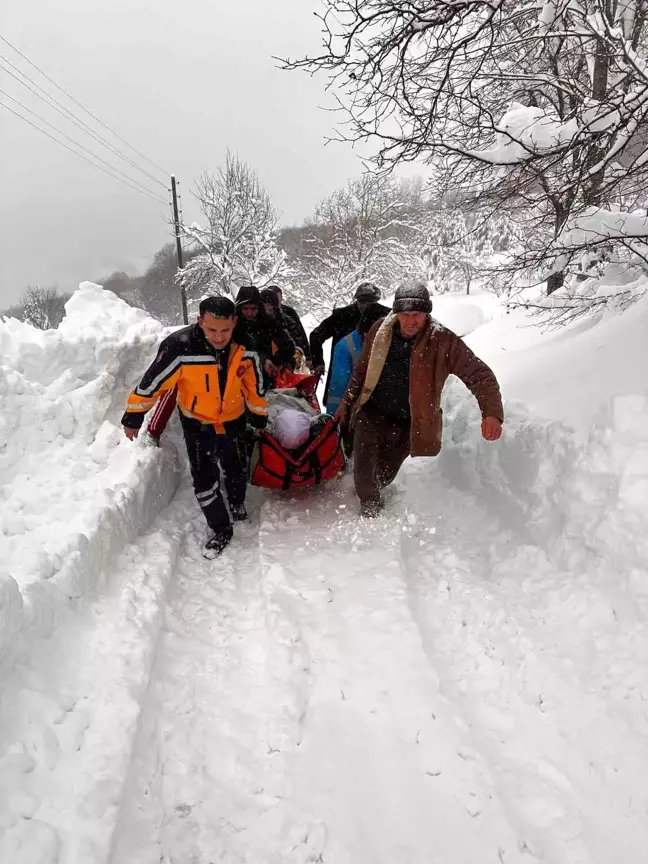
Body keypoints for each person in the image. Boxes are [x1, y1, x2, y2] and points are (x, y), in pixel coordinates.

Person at [336, 280, 503, 518]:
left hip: (409, 421)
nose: (411, 321)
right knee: (364, 470)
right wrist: (346, 403)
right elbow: (361, 372)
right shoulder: (379, 331)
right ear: (396, 313)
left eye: (417, 314)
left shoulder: (442, 340)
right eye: (406, 314)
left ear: (426, 314)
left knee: (385, 473)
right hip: (372, 412)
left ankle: (374, 490)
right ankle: (369, 512)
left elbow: (480, 375)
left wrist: (491, 413)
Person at [122, 296, 268, 557]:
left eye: (225, 330)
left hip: (233, 419)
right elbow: (153, 382)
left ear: (234, 322)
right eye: (212, 330)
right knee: (203, 477)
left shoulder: (246, 346)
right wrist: (134, 415)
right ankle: (221, 526)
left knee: (236, 466)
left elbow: (254, 386)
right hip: (197, 422)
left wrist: (258, 415)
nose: (219, 337)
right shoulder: (181, 347)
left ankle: (236, 502)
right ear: (200, 321)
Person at [309, 282, 390, 411]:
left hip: (372, 376)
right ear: (356, 300)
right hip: (341, 372)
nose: (366, 306)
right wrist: (318, 361)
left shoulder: (387, 316)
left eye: (371, 302)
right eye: (362, 302)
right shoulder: (341, 315)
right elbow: (316, 336)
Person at [325, 302, 387, 416]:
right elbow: (338, 388)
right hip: (354, 412)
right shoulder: (345, 347)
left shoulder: (391, 341)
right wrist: (335, 418)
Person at [235, 285, 295, 388]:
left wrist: (275, 361)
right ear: (239, 308)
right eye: (245, 309)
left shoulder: (268, 322)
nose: (249, 313)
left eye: (253, 309)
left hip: (265, 378)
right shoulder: (232, 325)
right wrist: (261, 359)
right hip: (238, 377)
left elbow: (288, 346)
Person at [259, 288, 309, 369]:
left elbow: (299, 336)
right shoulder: (256, 319)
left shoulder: (288, 315)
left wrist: (303, 355)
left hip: (284, 365)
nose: (267, 311)